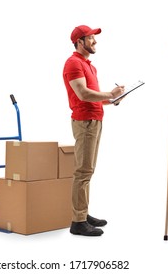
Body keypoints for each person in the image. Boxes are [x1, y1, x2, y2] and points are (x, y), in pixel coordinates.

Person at [62, 25, 125, 236]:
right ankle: (77, 222)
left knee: (88, 171)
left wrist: (112, 99)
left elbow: (94, 96)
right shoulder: (73, 63)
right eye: (90, 39)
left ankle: (83, 212)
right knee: (83, 172)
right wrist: (109, 92)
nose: (95, 42)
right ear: (80, 42)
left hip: (95, 120)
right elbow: (83, 94)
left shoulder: (88, 65)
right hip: (85, 122)